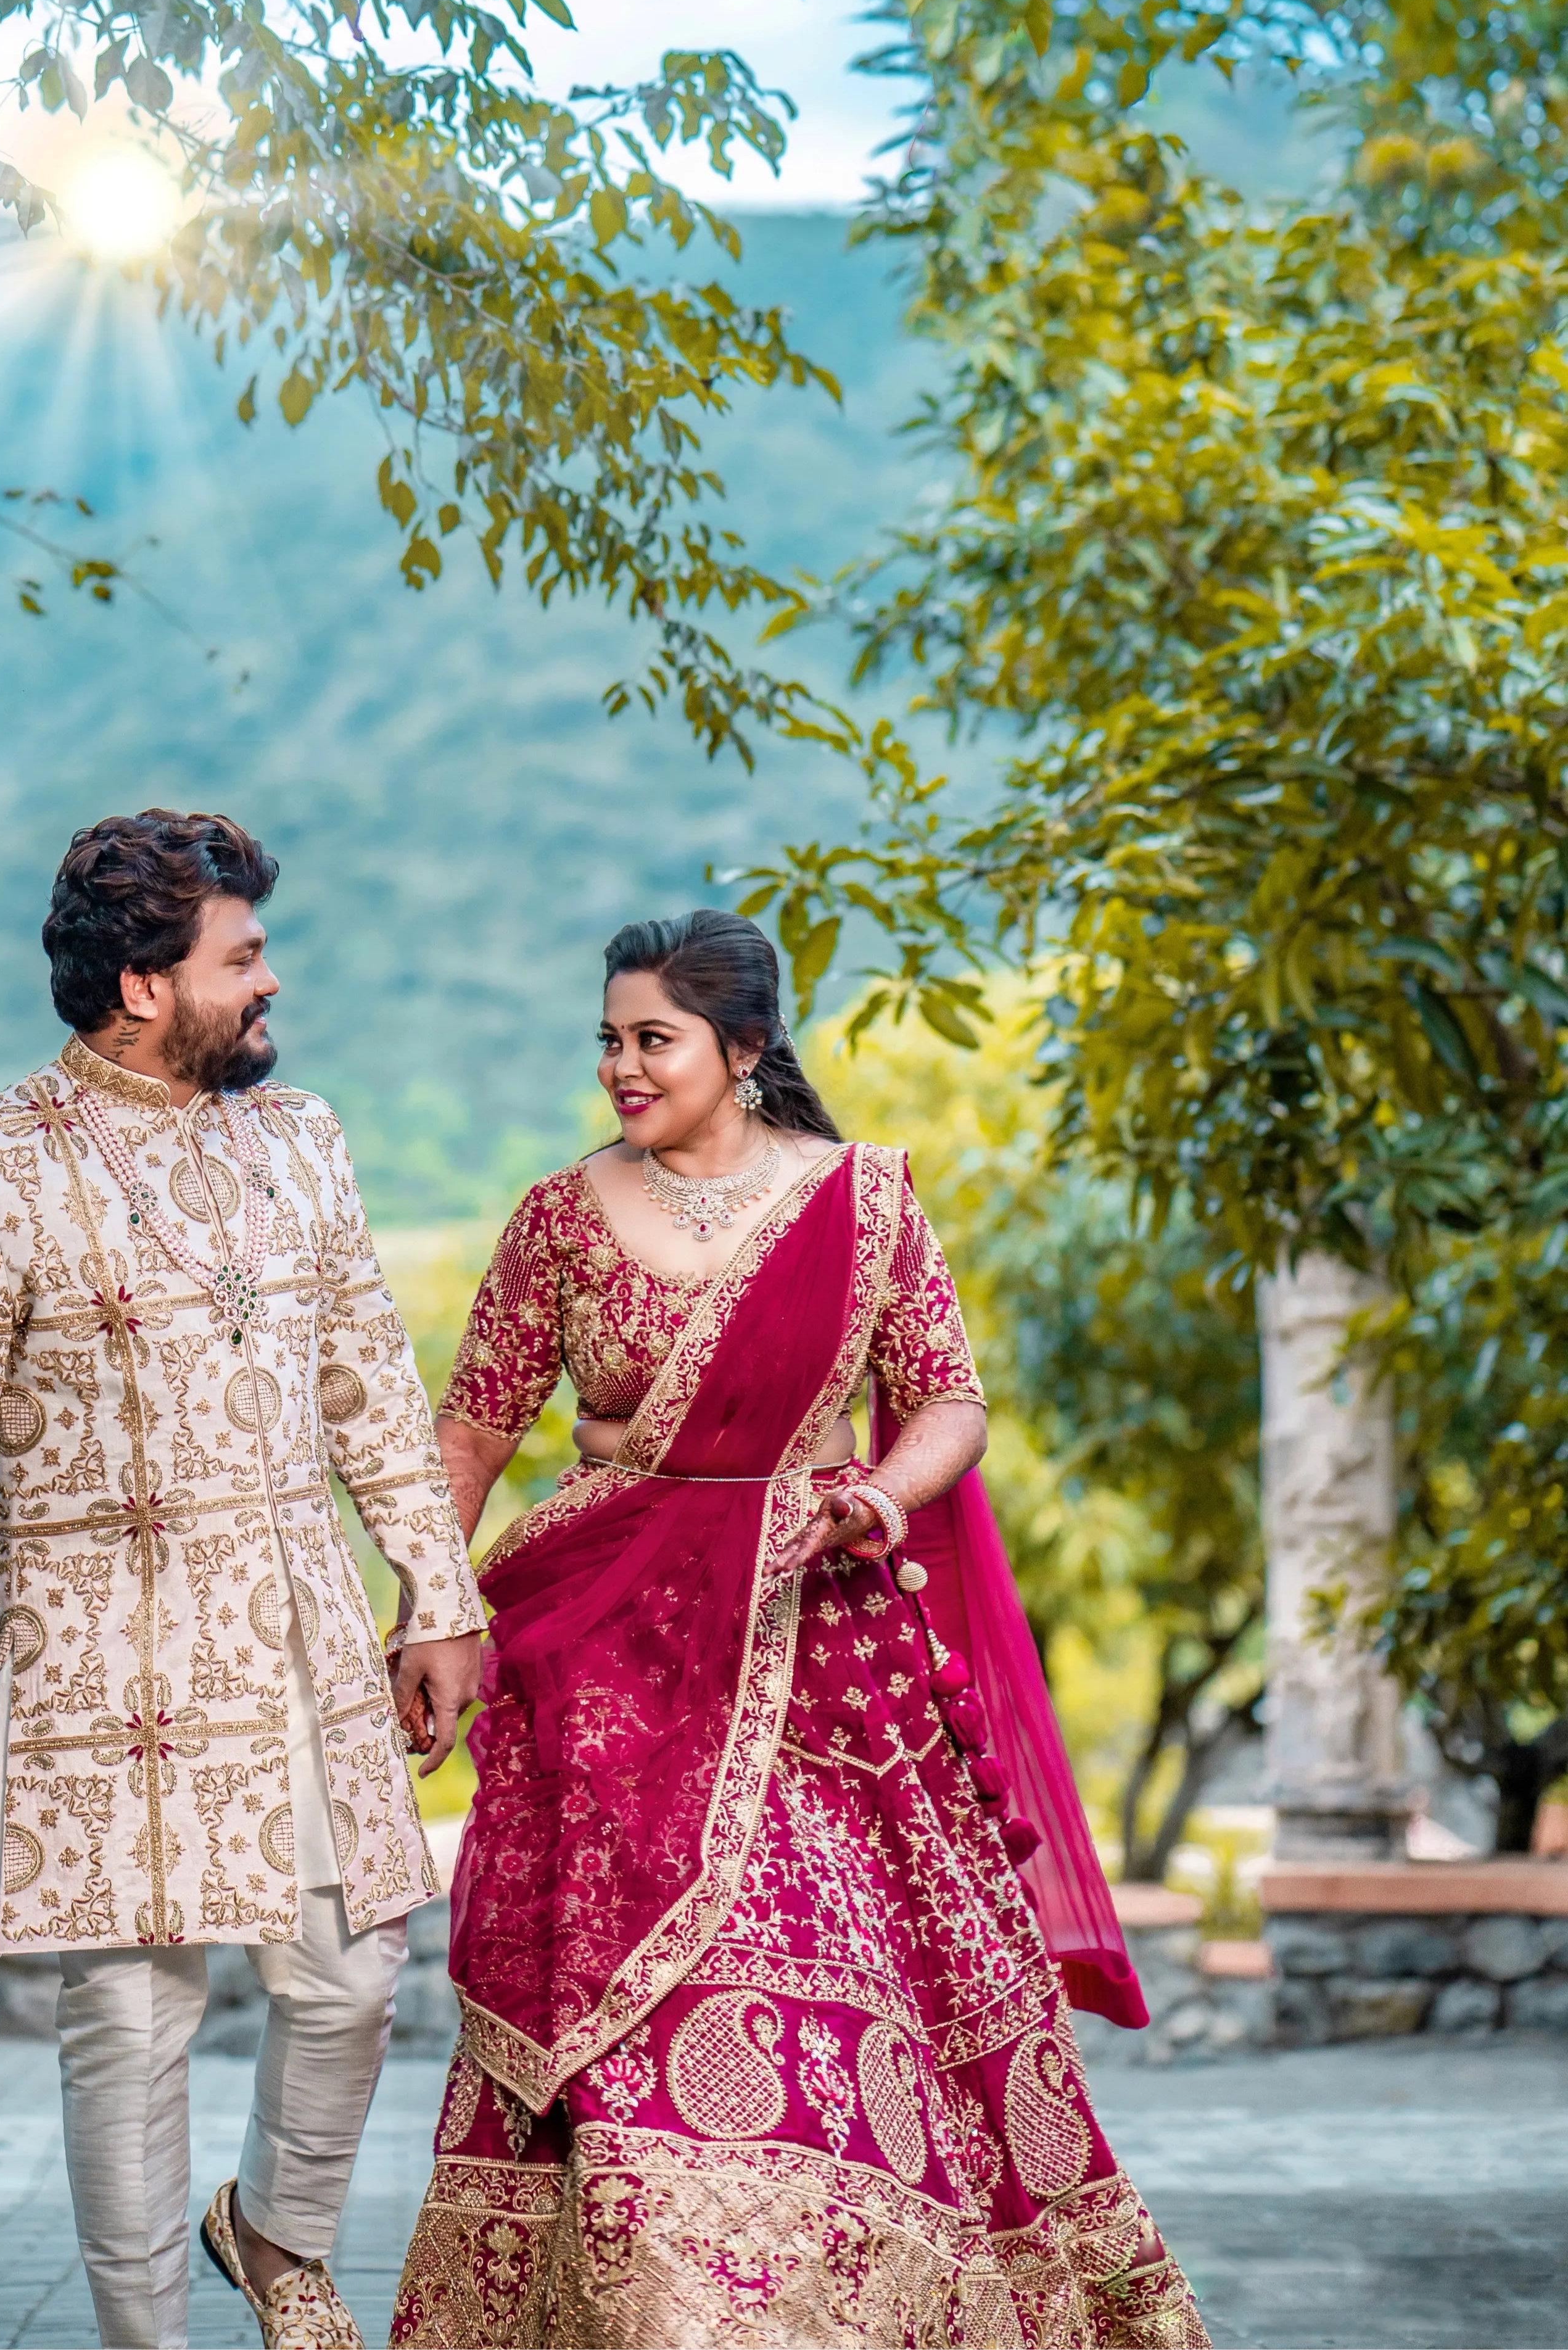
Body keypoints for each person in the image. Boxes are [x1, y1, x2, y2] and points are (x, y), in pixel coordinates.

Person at [390, 909, 1212, 2348]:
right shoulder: (560, 1217)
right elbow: (473, 1426)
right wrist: (425, 1611)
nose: (621, 1069)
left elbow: (949, 1395)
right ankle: (662, 2306)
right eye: (610, 1039)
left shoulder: (866, 1202)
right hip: (609, 1647)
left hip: (817, 1640)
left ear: (747, 1049)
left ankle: (854, 2293)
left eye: (653, 1039)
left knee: (852, 1966)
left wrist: (881, 1497)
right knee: (622, 1981)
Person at [0, 809, 485, 2350]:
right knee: (131, 2023)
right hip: (105, 1667)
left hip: (300, 1637)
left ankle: (279, 2235)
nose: (270, 982)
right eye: (245, 956)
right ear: (145, 983)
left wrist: (436, 1593)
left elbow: (368, 1383)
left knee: (353, 1975)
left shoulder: (303, 1138)